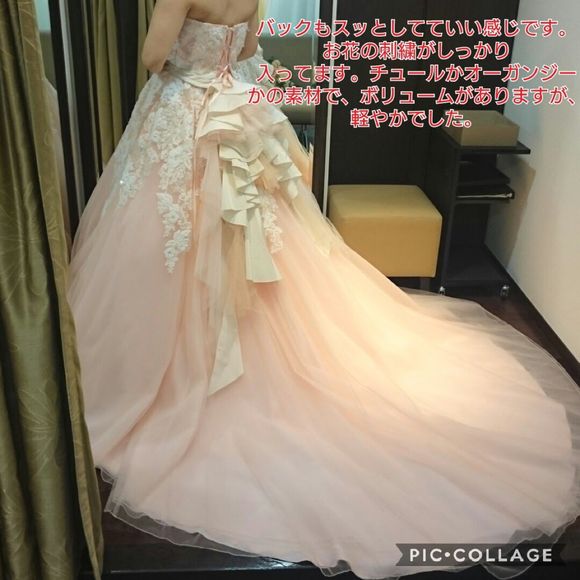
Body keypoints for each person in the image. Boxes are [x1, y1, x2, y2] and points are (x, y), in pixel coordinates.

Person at [67, 1, 580, 578]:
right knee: (262, 234)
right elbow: (247, 48)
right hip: (238, 110)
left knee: (169, 239)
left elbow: (152, 56)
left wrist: (186, 63)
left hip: (183, 114)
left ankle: (170, 363)